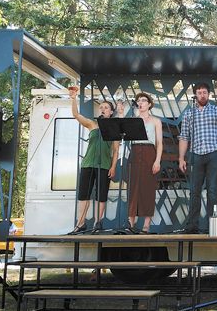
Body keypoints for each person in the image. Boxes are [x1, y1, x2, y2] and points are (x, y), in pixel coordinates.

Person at [177, 82, 217, 233]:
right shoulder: (189, 113)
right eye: (199, 92)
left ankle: (211, 226)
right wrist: (181, 158)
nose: (202, 95)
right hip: (196, 155)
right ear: (195, 95)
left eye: (204, 92)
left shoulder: (215, 109)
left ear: (209, 95)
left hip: (214, 153)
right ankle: (192, 226)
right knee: (194, 190)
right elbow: (183, 137)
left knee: (212, 190)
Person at [66, 86, 122, 234]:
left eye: (106, 107)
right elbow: (76, 114)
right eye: (101, 107)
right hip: (88, 163)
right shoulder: (92, 124)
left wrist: (113, 166)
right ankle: (81, 223)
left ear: (111, 112)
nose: (103, 109)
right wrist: (73, 98)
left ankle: (98, 222)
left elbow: (116, 150)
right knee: (84, 194)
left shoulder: (114, 128)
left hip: (104, 165)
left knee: (101, 195)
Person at [127, 92, 163, 233]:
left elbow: (159, 142)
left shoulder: (156, 121)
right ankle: (131, 223)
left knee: (148, 188)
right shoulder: (133, 119)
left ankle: (146, 225)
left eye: (143, 100)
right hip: (135, 152)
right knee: (133, 187)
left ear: (149, 104)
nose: (140, 103)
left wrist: (157, 161)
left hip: (149, 152)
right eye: (138, 101)